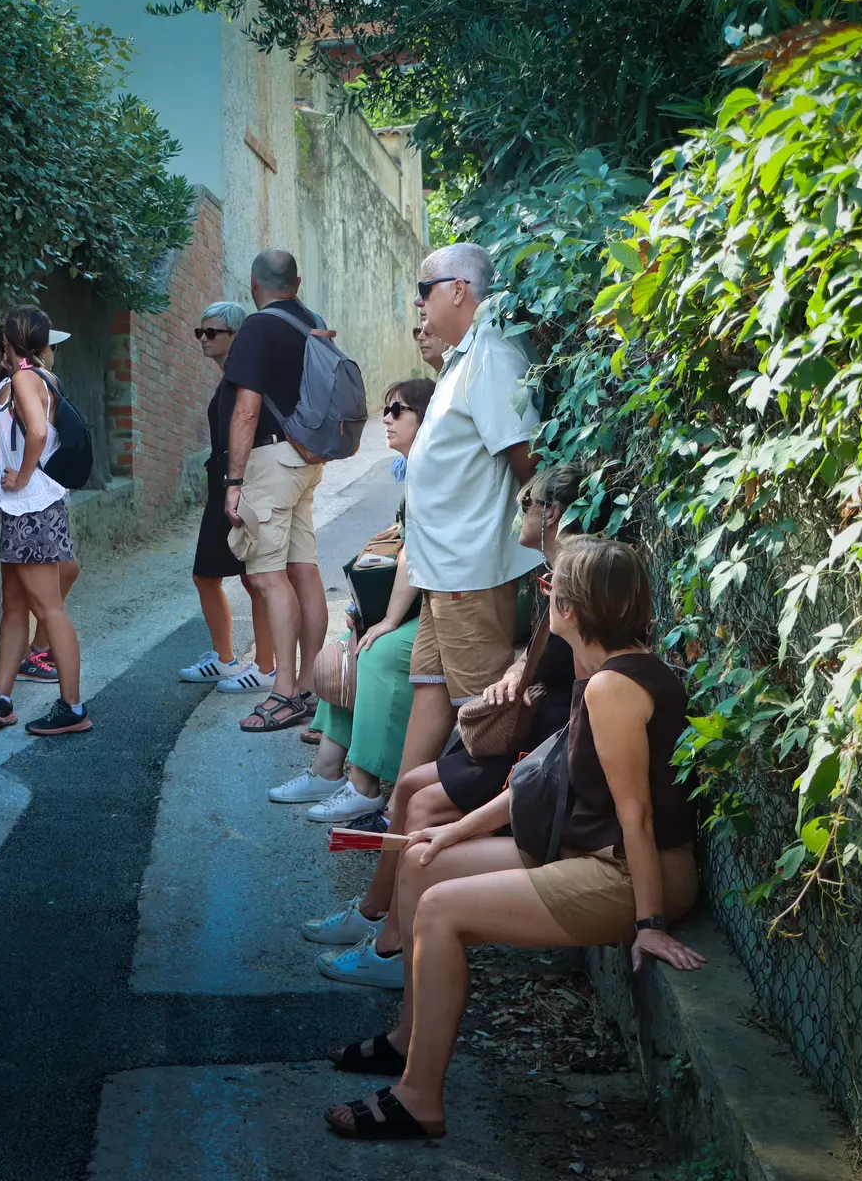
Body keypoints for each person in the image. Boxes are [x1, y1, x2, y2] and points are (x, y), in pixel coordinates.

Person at [318, 536, 705, 1142]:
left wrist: (649, 923)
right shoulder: (604, 672)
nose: (544, 597)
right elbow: (540, 778)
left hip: (629, 872)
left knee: (441, 910)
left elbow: (639, 818)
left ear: (571, 609)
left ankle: (419, 1099)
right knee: (422, 863)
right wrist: (448, 833)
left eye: (550, 589)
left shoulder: (613, 688)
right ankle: (407, 1040)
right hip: (593, 852)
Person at [310, 462, 591, 984]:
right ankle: (375, 911)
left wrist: (528, 696)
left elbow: (587, 682)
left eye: (526, 505)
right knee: (409, 784)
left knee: (421, 803)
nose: (518, 516)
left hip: (543, 749)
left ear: (551, 513)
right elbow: (544, 651)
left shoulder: (577, 576)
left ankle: (394, 949)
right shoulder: (553, 571)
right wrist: (515, 672)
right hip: (532, 730)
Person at [268, 379, 436, 815]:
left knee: (377, 652)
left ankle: (365, 785)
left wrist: (388, 620)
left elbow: (415, 555)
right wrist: (367, 611)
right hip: (429, 601)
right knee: (349, 646)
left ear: (427, 418)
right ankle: (327, 770)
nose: (387, 418)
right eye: (386, 409)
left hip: (456, 606)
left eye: (398, 410)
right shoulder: (415, 470)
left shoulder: (435, 470)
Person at [222, 249, 331, 732]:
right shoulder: (313, 322)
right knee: (303, 570)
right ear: (297, 283)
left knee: (267, 576)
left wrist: (234, 481)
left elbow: (246, 409)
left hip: (270, 462)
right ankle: (310, 687)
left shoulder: (258, 328)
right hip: (307, 459)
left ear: (253, 284)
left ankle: (284, 692)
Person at [0, 306, 91, 737]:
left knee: (48, 609)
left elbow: (38, 434)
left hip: (32, 506)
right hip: (22, 509)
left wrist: (23, 474)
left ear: (7, 341)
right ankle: (0, 698)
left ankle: (72, 707)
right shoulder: (22, 380)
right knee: (14, 608)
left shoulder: (25, 379)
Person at [179, 301, 276, 688]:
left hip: (241, 486)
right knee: (207, 575)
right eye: (199, 332)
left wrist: (238, 484)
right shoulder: (230, 377)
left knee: (255, 579)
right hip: (223, 485)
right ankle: (225, 660)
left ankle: (265, 668)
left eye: (212, 332)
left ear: (235, 336)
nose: (203, 339)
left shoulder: (243, 377)